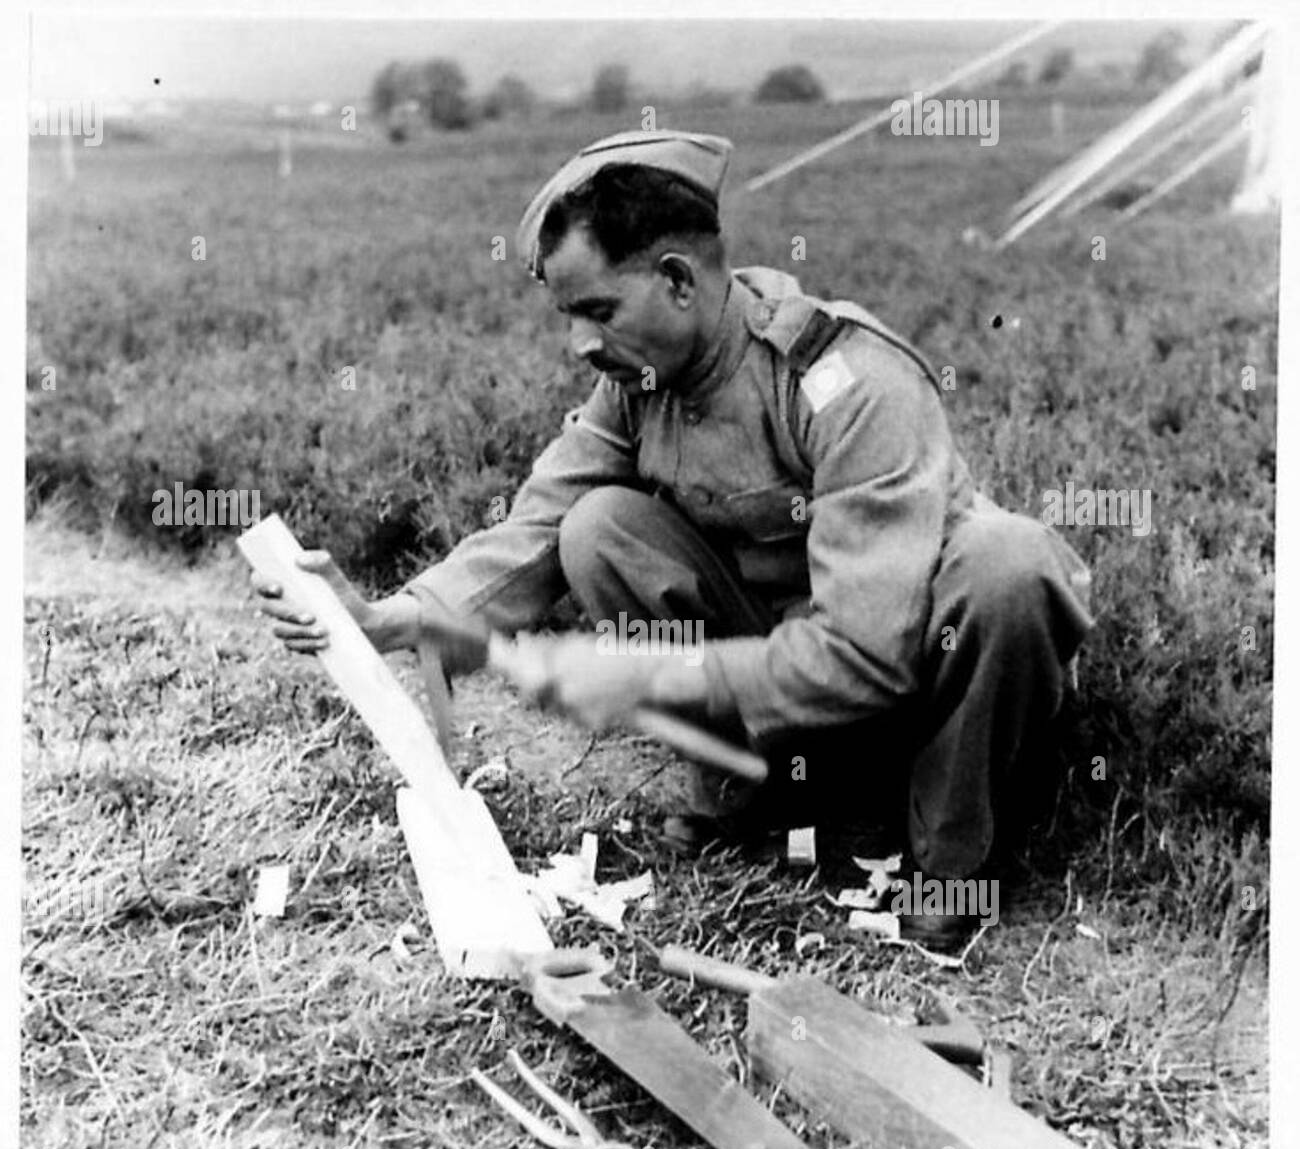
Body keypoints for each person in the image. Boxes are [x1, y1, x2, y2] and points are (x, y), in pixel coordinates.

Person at [254, 130, 1093, 949]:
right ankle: (749, 802)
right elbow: (541, 523)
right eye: (569, 317)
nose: (581, 342)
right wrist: (398, 618)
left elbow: (869, 654)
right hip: (783, 686)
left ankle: (947, 859)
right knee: (599, 529)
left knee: (1007, 566)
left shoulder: (848, 382)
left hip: (907, 681)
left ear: (679, 282)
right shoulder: (639, 383)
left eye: (597, 311)